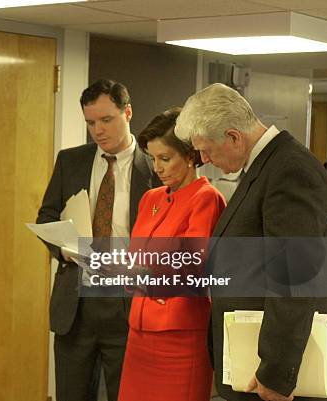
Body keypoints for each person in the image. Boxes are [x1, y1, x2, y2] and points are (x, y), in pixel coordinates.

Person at [175, 83, 327, 401]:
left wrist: (275, 371)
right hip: (248, 360)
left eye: (206, 149)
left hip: (268, 372)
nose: (202, 159)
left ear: (233, 136)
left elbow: (295, 278)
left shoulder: (289, 169)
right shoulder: (266, 165)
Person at [36, 78, 159, 401]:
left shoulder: (155, 168)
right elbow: (47, 217)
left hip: (128, 300)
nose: (98, 130)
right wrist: (64, 250)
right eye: (91, 122)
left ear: (127, 113)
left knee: (126, 394)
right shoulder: (70, 161)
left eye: (106, 120)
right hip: (76, 302)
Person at [116, 108, 226, 401]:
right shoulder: (151, 198)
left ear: (190, 156)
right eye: (153, 159)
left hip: (180, 336)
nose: (157, 168)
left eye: (165, 158)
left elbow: (191, 267)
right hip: (139, 332)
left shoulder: (206, 198)